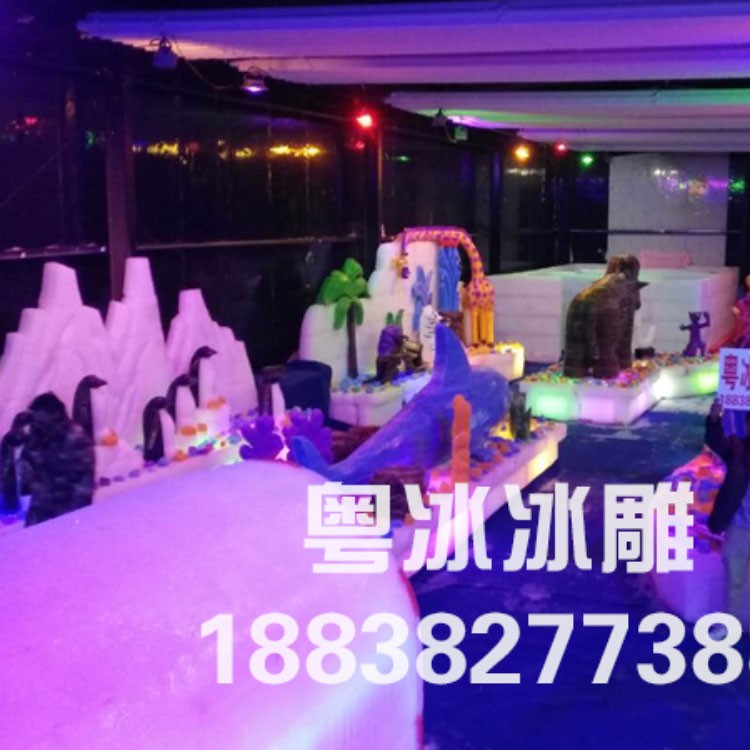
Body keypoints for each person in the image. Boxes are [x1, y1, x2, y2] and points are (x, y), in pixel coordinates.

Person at [705, 399, 750, 623]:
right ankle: (730, 624)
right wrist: (715, 419)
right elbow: (716, 441)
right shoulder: (738, 450)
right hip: (740, 527)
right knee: (735, 580)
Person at [21, 392, 95, 527]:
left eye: (41, 421)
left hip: (69, 511)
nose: (36, 425)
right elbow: (27, 465)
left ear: (55, 416)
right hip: (40, 508)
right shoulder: (36, 436)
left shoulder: (76, 439)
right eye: (35, 421)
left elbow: (83, 488)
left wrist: (69, 521)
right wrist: (33, 482)